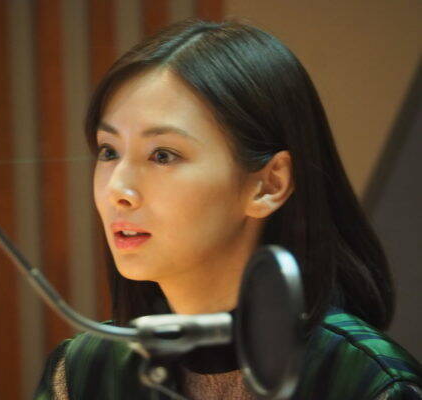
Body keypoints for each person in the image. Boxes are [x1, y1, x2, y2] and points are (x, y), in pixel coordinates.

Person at [34, 19, 422, 399]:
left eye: (162, 155)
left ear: (269, 185)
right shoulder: (81, 372)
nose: (117, 190)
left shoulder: (372, 385)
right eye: (109, 151)